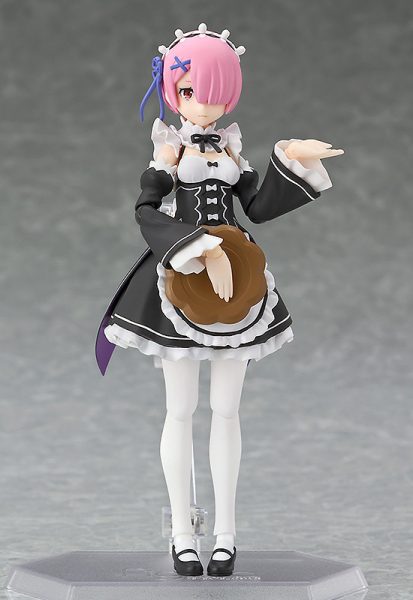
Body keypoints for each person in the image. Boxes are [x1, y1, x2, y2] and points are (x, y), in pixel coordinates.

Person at [95, 23, 343, 577]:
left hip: (238, 283)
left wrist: (292, 158)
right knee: (180, 410)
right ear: (173, 90)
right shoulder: (169, 148)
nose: (204, 104)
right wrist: (198, 249)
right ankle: (183, 536)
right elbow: (145, 211)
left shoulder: (231, 147)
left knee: (227, 411)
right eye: (190, 91)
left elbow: (257, 206)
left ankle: (227, 535)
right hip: (182, 279)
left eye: (216, 92)